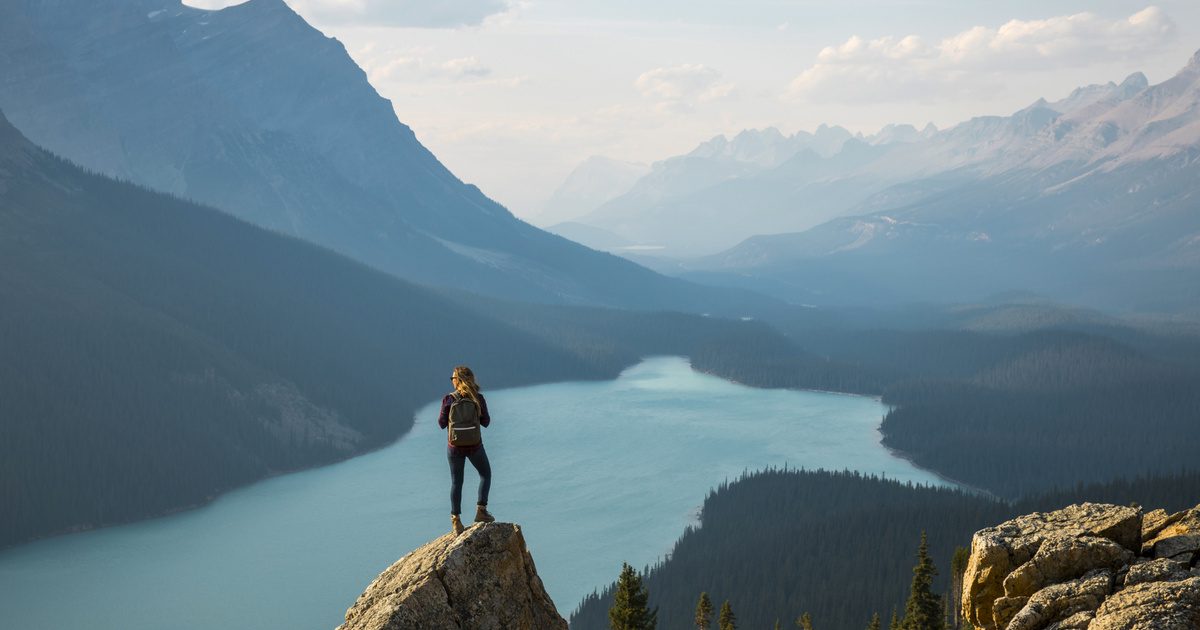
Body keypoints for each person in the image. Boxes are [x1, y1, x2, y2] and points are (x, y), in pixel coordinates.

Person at [439, 365, 496, 535]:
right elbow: (486, 422)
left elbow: (441, 424)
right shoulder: (478, 398)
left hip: (454, 447)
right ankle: (481, 511)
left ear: (458, 380)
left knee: (457, 482)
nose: (452, 381)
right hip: (474, 446)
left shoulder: (449, 399)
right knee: (485, 474)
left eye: (453, 378)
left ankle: (456, 522)